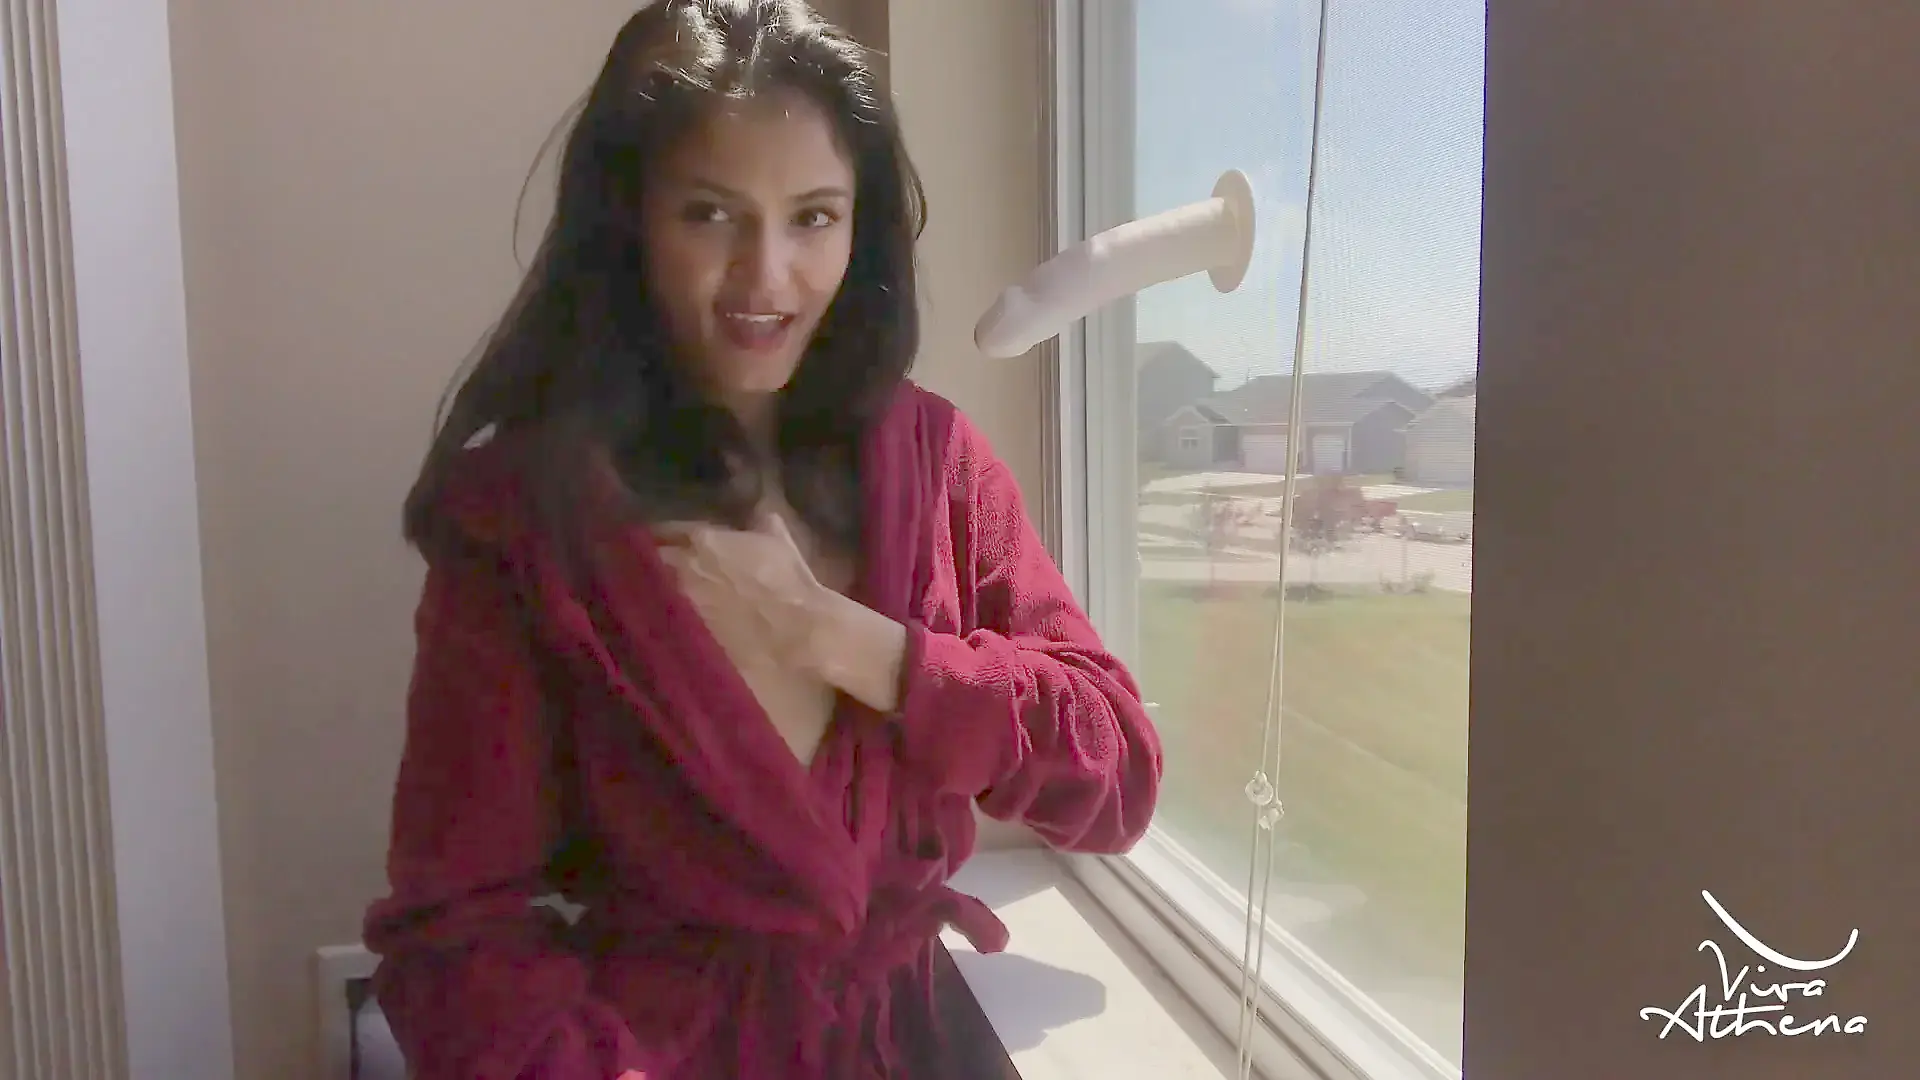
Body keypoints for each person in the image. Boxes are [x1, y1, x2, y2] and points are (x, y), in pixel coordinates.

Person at [361, 2, 1163, 1078]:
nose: (767, 278)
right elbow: (456, 938)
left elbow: (1118, 777)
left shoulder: (936, 461)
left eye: (813, 218)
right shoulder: (523, 517)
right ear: (630, 218)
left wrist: (849, 642)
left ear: (860, 228)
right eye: (710, 214)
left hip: (913, 1049)